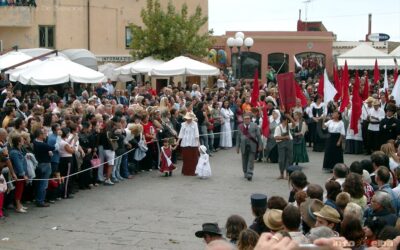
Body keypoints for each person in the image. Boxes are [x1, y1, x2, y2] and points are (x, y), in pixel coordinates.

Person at [33, 128, 55, 207]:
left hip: (39, 164)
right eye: (44, 134)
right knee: (44, 184)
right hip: (45, 164)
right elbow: (53, 147)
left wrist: (47, 151)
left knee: (39, 183)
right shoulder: (42, 144)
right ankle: (40, 200)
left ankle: (38, 199)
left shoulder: (35, 142)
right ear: (40, 135)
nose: (45, 135)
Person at [236, 113, 262, 181]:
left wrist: (260, 145)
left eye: (248, 118)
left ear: (250, 119)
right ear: (243, 119)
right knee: (244, 160)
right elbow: (238, 137)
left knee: (251, 160)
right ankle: (245, 171)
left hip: (252, 145)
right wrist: (237, 147)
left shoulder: (255, 125)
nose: (247, 120)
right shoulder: (240, 126)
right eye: (245, 119)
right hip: (243, 145)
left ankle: (249, 173)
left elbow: (259, 136)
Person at [274, 115, 293, 180]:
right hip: (281, 144)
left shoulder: (288, 126)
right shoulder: (278, 127)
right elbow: (276, 137)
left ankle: (287, 174)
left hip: (289, 143)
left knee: (289, 159)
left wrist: (290, 117)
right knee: (281, 160)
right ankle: (281, 174)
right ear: (283, 121)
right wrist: (284, 137)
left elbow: (294, 124)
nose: (287, 121)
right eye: (286, 120)